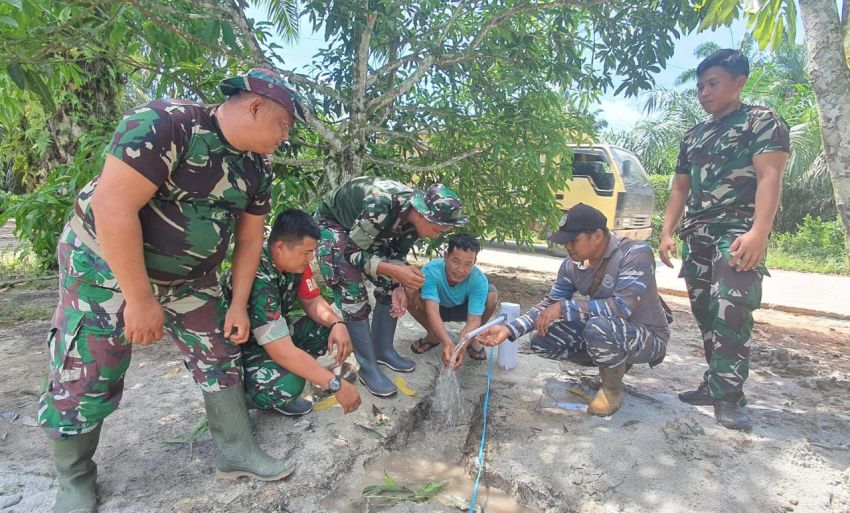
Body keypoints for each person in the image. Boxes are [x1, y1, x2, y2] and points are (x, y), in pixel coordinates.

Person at [38, 68, 307, 513]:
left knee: (220, 352)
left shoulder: (256, 168)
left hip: (190, 281)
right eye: (284, 126)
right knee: (88, 368)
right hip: (105, 269)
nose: (285, 137)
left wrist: (238, 303)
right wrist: (140, 301)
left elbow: (250, 240)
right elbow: (112, 205)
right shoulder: (169, 124)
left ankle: (235, 451)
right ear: (256, 105)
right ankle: (74, 478)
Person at [658, 49, 790, 431]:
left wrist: (759, 233)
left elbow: (770, 177)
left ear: (739, 82)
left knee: (732, 308)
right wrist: (667, 232)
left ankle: (730, 396)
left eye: (712, 84)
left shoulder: (760, 121)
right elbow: (680, 188)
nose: (704, 92)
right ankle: (714, 383)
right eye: (700, 86)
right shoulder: (693, 135)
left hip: (737, 231)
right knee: (706, 313)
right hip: (696, 233)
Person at [477, 203, 669, 416]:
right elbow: (550, 304)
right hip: (611, 332)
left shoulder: (635, 253)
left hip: (649, 336)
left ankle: (612, 389)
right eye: (565, 241)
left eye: (573, 240)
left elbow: (621, 308)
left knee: (599, 328)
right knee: (541, 340)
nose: (568, 247)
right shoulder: (571, 265)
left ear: (597, 235)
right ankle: (613, 361)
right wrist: (510, 329)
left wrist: (565, 307)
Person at [315, 177, 468, 397]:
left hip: (363, 234)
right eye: (436, 229)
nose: (437, 235)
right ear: (421, 213)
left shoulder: (414, 221)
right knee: (353, 292)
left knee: (392, 283)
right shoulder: (381, 205)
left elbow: (396, 255)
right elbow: (353, 254)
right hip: (336, 226)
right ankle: (368, 368)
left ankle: (382, 349)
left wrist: (398, 284)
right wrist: (397, 272)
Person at [220, 209, 361, 417]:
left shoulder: (293, 263)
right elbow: (281, 350)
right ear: (279, 247)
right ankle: (246, 395)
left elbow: (312, 300)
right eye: (306, 253)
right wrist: (334, 384)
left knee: (324, 332)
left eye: (312, 251)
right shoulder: (259, 275)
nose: (311, 258)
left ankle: (298, 370)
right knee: (291, 384)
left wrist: (337, 324)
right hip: (236, 352)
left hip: (267, 336)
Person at [406, 232, 499, 368]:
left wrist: (461, 346)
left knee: (492, 296)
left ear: (474, 262)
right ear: (446, 256)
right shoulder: (431, 270)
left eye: (468, 264)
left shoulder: (479, 279)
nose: (461, 270)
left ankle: (472, 338)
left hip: (463, 309)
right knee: (408, 290)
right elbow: (432, 311)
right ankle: (433, 335)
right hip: (436, 308)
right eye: (456, 262)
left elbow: (474, 319)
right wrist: (448, 343)